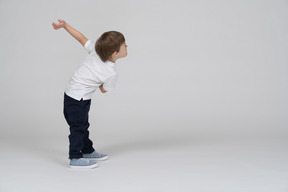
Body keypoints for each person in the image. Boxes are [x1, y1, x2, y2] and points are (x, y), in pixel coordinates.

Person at [52, 19, 128, 169]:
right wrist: (97, 81)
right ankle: (75, 157)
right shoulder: (111, 73)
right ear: (115, 53)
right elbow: (103, 90)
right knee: (78, 128)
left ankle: (87, 150)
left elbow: (80, 38)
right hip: (78, 99)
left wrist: (65, 26)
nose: (127, 46)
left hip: (72, 95)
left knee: (82, 125)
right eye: (124, 45)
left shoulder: (96, 50)